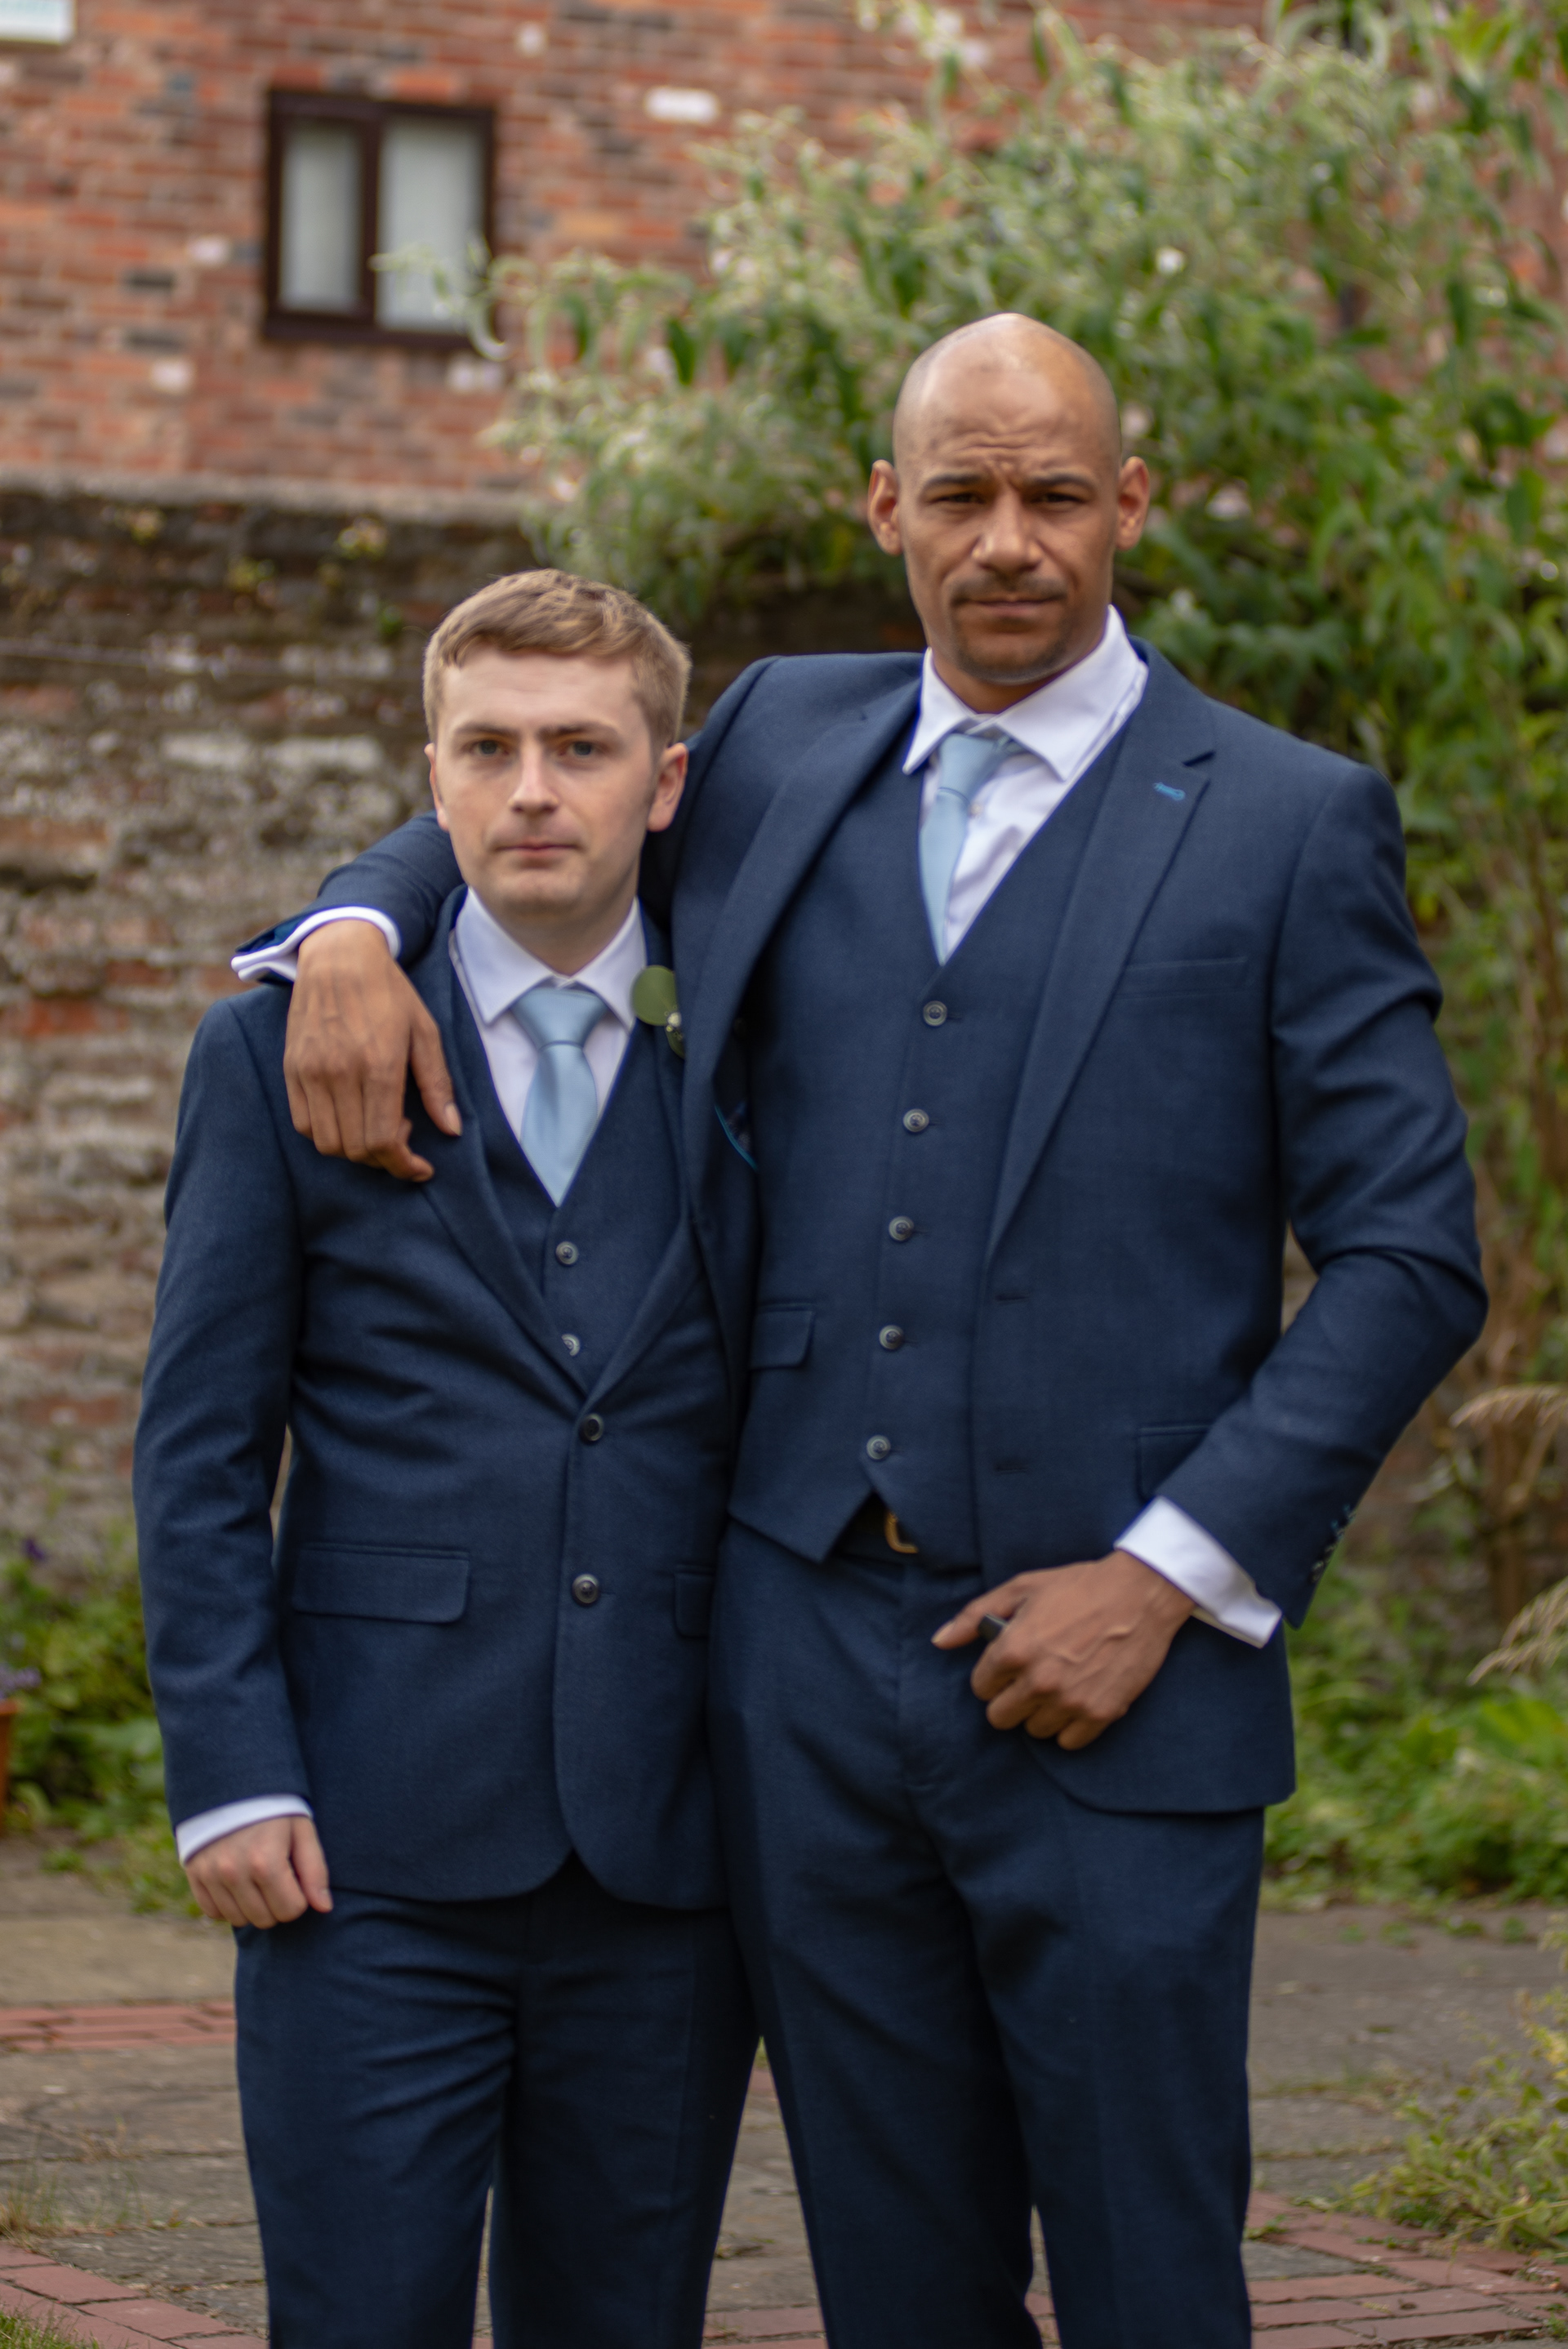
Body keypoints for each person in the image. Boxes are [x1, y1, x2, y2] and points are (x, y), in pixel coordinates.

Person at [250, 317, 1486, 2349]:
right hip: (801, 1673)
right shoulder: (772, 741)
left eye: (1057, 495)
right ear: (886, 506)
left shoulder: (1288, 819)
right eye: (964, 494)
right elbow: (525, 791)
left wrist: (1168, 1579)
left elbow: (1412, 1257)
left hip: (1119, 1684)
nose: (1011, 541)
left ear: (1129, 506)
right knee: (895, 2284)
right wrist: (355, 930)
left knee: (1152, 2275)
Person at [133, 572, 758, 2349]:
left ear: (667, 779)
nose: (532, 789)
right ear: (432, 776)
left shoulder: (761, 1046)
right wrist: (230, 1775)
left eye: (581, 748)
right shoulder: (276, 1048)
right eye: (487, 749)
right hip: (365, 1839)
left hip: (673, 1848)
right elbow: (199, 1446)